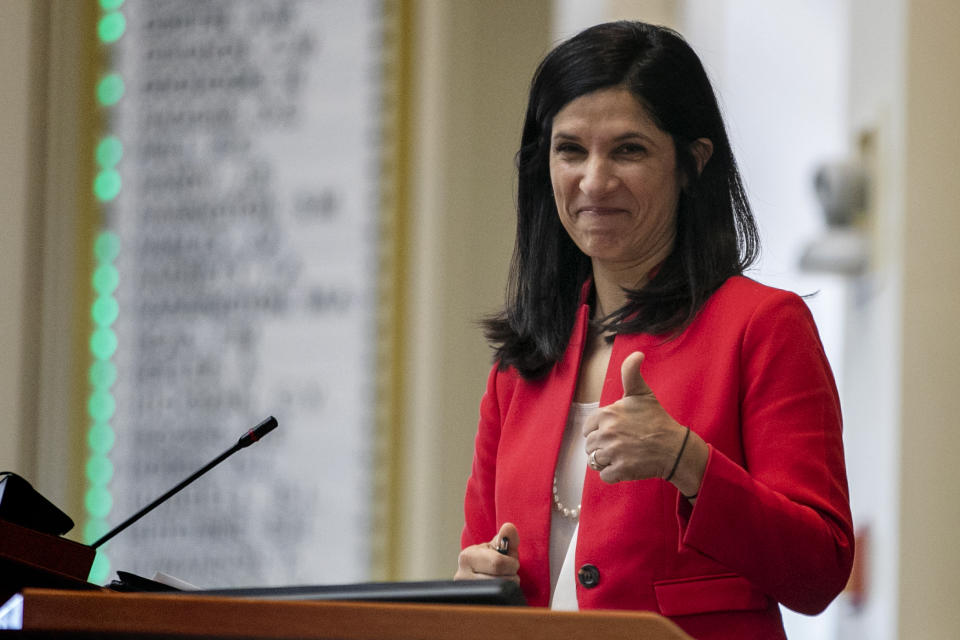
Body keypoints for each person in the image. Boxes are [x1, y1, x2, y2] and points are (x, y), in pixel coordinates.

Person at [454, 21, 854, 639]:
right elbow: (477, 560)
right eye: (571, 150)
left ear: (692, 163)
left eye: (628, 150)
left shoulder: (763, 326)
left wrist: (688, 461)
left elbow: (820, 569)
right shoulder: (522, 363)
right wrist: (475, 584)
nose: (593, 180)